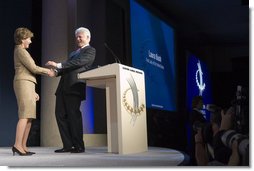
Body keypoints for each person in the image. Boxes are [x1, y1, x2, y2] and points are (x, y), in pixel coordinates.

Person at [46, 27, 96, 153]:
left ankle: (79, 146)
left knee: (74, 116)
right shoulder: (73, 53)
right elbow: (67, 68)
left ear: (88, 38)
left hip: (74, 87)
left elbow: (79, 63)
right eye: (77, 37)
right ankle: (68, 145)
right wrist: (56, 72)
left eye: (81, 36)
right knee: (60, 115)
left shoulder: (90, 51)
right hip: (63, 87)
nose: (78, 39)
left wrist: (58, 65)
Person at [13, 27, 55, 156]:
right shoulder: (20, 50)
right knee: (24, 115)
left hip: (28, 84)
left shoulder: (23, 51)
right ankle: (17, 145)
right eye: (29, 38)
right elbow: (33, 68)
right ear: (22, 39)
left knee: (30, 117)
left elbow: (29, 71)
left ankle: (23, 145)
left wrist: (34, 91)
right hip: (23, 83)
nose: (30, 41)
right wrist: (48, 71)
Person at [189, 95, 207, 165]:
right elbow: (195, 126)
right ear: (197, 103)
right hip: (196, 142)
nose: (203, 104)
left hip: (198, 141)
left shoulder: (198, 113)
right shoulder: (194, 113)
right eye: (201, 102)